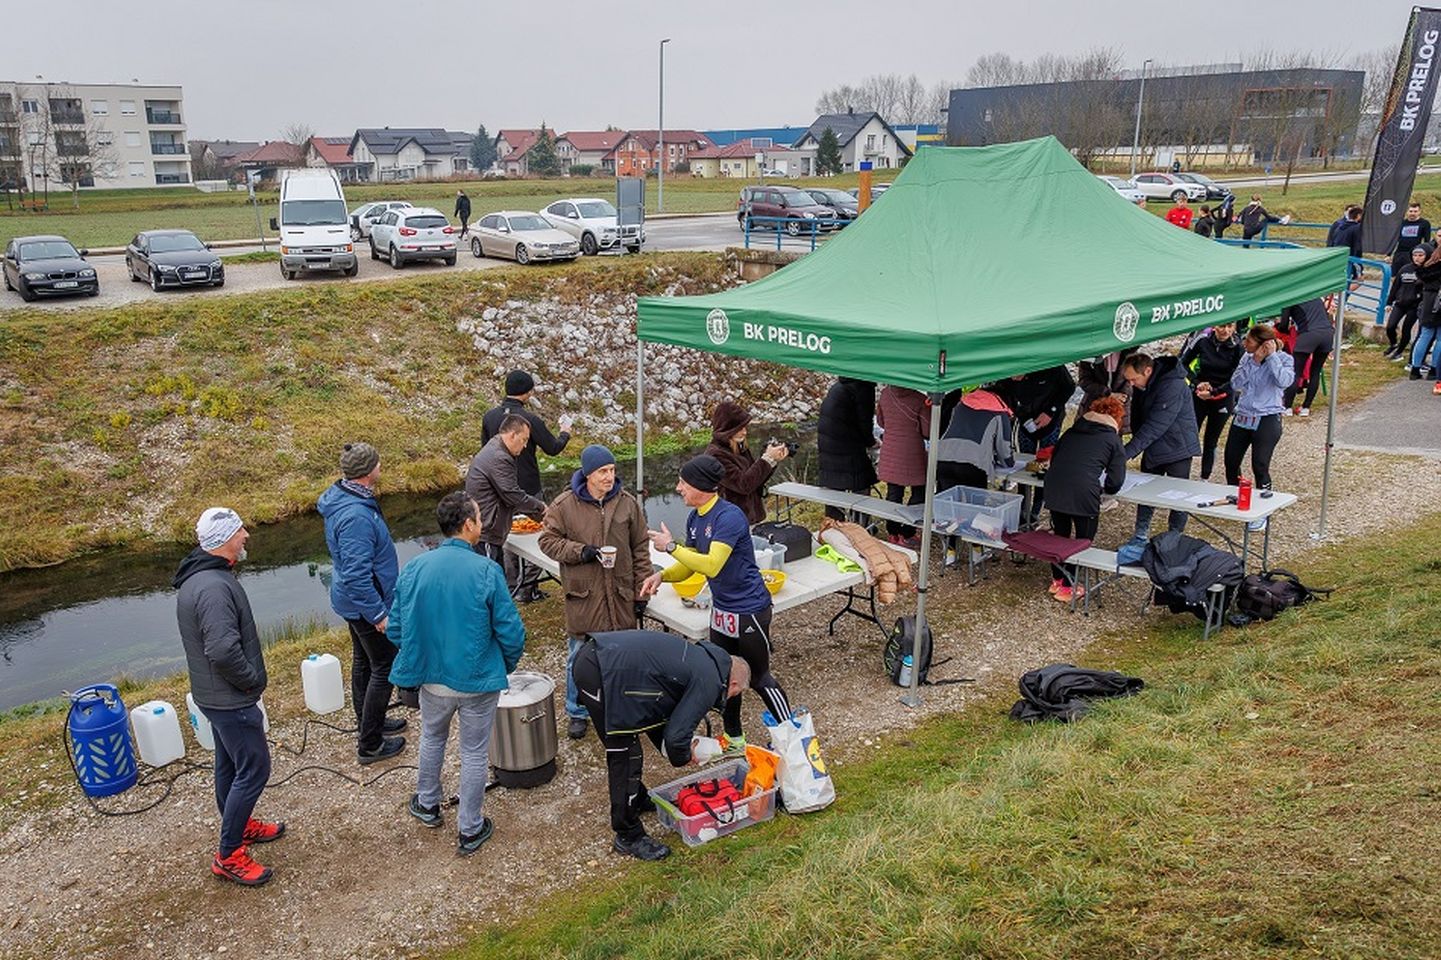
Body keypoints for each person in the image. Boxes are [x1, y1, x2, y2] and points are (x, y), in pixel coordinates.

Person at [390, 491, 526, 857]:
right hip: (477, 680)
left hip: (432, 680)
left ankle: (427, 803)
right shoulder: (487, 570)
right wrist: (503, 664)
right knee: (474, 751)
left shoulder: (415, 567)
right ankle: (470, 827)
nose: (482, 523)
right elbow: (512, 633)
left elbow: (396, 628)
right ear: (468, 525)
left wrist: (421, 656)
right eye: (479, 518)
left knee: (432, 737)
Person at [642, 455, 790, 755]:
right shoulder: (695, 518)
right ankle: (735, 739)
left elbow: (712, 564)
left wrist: (671, 546)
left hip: (749, 609)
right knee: (725, 674)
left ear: (699, 485)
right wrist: (662, 575)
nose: (678, 488)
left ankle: (792, 737)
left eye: (683, 483)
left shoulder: (728, 517)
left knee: (759, 676)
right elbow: (691, 565)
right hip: (721, 609)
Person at [571, 629, 749, 861]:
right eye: (736, 692)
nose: (732, 697)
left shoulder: (705, 661)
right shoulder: (710, 681)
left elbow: (662, 717)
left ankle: (635, 797)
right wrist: (684, 755)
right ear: (733, 683)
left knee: (629, 741)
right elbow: (676, 739)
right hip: (600, 671)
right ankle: (628, 835)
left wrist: (678, 747)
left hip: (602, 656)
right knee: (626, 753)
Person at [175, 507, 283, 887]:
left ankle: (239, 825)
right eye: (239, 531)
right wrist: (250, 682)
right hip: (230, 698)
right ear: (224, 540)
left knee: (229, 765)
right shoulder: (214, 588)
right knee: (255, 769)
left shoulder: (201, 577)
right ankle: (229, 855)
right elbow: (222, 650)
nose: (246, 535)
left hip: (214, 695)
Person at [538, 444, 656, 741]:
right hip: (584, 596)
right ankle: (577, 711)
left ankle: (620, 705)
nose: (609, 476)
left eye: (612, 470)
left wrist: (641, 592)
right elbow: (547, 541)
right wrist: (582, 552)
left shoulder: (627, 503)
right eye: (603, 471)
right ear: (588, 473)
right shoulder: (564, 505)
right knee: (579, 657)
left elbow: (640, 547)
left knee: (622, 655)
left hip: (620, 593)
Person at [317, 441, 405, 764]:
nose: (381, 466)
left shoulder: (347, 496)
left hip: (353, 601)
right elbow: (357, 574)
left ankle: (370, 721)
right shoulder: (355, 516)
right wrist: (378, 613)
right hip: (364, 603)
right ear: (369, 471)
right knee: (384, 665)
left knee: (365, 661)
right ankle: (370, 744)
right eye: (378, 463)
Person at [482, 370, 573, 601]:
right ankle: (528, 587)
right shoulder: (529, 420)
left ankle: (513, 585)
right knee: (538, 534)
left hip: (500, 489)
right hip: (528, 486)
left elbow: (485, 450)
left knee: (508, 534)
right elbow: (553, 448)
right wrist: (565, 433)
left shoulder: (490, 417)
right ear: (528, 392)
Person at [1042, 395, 1127, 602]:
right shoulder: (1112, 439)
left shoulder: (1071, 432)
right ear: (1116, 419)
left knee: (1060, 535)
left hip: (1054, 486)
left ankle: (1057, 580)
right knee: (1082, 541)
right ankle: (1069, 586)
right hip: (1083, 492)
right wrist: (1104, 488)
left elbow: (1056, 458)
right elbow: (1116, 481)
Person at [1121, 352, 1201, 542]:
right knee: (1146, 492)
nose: (1130, 384)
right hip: (1153, 446)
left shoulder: (1172, 385)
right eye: (1128, 380)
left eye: (1133, 379)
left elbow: (1156, 425)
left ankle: (1174, 539)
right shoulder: (1143, 384)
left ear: (1148, 371)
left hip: (1177, 447)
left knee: (1178, 496)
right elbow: (1139, 416)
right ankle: (1140, 535)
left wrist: (1126, 453)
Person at [465, 413, 549, 568]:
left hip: (488, 530)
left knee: (497, 577)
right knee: (489, 578)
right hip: (486, 533)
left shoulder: (495, 446)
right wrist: (541, 509)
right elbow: (512, 495)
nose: (525, 446)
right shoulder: (499, 457)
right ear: (512, 435)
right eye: (524, 440)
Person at [1221, 324, 1293, 489]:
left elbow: (1284, 382)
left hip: (1267, 416)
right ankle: (1237, 495)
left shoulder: (1284, 359)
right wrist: (1254, 362)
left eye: (1249, 341)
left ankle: (1264, 500)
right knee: (1231, 462)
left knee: (1260, 465)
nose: (1244, 343)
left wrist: (1272, 357)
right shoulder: (1247, 358)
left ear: (1263, 344)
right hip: (1243, 415)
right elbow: (1235, 383)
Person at [704, 400, 789, 525]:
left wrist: (773, 460)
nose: (744, 432)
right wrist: (767, 458)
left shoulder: (738, 446)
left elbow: (756, 480)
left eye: (744, 427)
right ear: (727, 429)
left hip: (751, 518)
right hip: (732, 522)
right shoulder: (715, 455)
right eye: (739, 428)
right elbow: (743, 485)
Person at [1181, 322, 1244, 480]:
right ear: (1214, 326)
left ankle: (1205, 477)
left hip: (1222, 397)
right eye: (1222, 326)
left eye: (1230, 327)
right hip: (1200, 394)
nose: (1225, 331)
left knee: (1211, 440)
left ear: (1234, 328)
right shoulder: (1202, 340)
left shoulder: (1238, 347)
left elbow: (1237, 378)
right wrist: (1196, 382)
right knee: (1189, 436)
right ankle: (1181, 475)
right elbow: (1182, 363)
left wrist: (1215, 392)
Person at [877, 385, 931, 547]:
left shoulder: (885, 394)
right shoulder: (920, 400)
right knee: (919, 492)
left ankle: (892, 532)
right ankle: (908, 533)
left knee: (894, 493)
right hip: (912, 452)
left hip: (890, 450)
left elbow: (880, 422)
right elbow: (928, 430)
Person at [816, 377, 877, 520]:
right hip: (846, 445)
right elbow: (865, 422)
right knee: (862, 482)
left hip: (828, 444)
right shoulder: (863, 388)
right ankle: (860, 526)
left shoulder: (840, 385)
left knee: (833, 485)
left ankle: (834, 526)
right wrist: (871, 442)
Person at [935, 387, 1014, 491]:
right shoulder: (1000, 412)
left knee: (947, 499)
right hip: (973, 464)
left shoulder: (961, 405)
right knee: (973, 500)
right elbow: (1004, 450)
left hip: (943, 457)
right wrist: (1009, 462)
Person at [995, 365, 1075, 456]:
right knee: (1025, 457)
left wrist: (1050, 411)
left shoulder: (1051, 366)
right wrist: (1019, 414)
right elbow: (1003, 393)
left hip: (1051, 418)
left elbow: (1069, 387)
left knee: (1047, 456)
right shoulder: (1006, 371)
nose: (1014, 378)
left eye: (1017, 374)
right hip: (1025, 420)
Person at [1277, 299, 1335, 416]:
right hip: (1327, 334)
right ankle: (1306, 408)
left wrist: (1280, 326)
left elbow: (1283, 326)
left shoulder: (1289, 299)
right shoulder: (1316, 297)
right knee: (1316, 372)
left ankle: (1287, 407)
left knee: (1295, 372)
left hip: (1308, 334)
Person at [1386, 245, 1427, 361]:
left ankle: (1399, 351)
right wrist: (1389, 302)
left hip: (1414, 306)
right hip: (1400, 303)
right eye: (1415, 255)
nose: (1417, 258)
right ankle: (1393, 344)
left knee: (1406, 330)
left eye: (1420, 255)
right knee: (1390, 326)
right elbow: (1395, 286)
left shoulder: (1427, 271)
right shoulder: (1405, 269)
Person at [1411, 242, 1441, 383]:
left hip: (1428, 302)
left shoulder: (1426, 267)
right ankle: (1434, 369)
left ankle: (1415, 369)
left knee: (1424, 336)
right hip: (1439, 302)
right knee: (1440, 338)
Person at [1391, 201, 1432, 274]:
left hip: (1414, 253)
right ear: (1407, 212)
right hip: (1399, 252)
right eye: (1411, 211)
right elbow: (1394, 239)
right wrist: (1389, 254)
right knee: (1395, 274)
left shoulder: (1424, 223)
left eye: (1415, 211)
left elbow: (1427, 240)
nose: (1413, 213)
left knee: (1411, 274)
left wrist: (1426, 256)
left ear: (1419, 212)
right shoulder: (1402, 223)